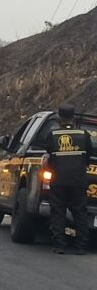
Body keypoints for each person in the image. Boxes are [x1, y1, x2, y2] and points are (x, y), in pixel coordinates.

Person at [46, 104, 94, 255]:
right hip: (78, 181)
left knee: (58, 212)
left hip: (58, 180)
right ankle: (81, 247)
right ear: (73, 117)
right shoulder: (84, 135)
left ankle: (59, 246)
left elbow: (49, 154)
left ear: (59, 118)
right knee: (80, 213)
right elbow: (88, 157)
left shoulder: (53, 135)